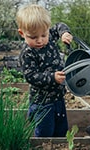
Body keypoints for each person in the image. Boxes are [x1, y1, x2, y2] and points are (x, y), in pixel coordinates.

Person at [16, 4, 73, 137]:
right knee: (44, 133)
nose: (40, 40)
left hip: (58, 98)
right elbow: (31, 76)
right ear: (22, 33)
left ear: (47, 30)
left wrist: (64, 33)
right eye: (33, 37)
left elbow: (59, 25)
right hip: (42, 103)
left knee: (61, 130)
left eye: (43, 35)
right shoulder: (27, 53)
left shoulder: (50, 37)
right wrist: (52, 77)